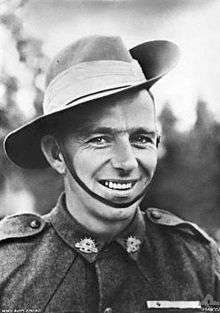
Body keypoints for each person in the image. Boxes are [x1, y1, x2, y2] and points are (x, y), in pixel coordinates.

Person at [0, 35, 219, 313]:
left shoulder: (198, 260)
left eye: (141, 138)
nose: (127, 162)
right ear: (56, 154)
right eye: (100, 139)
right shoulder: (7, 266)